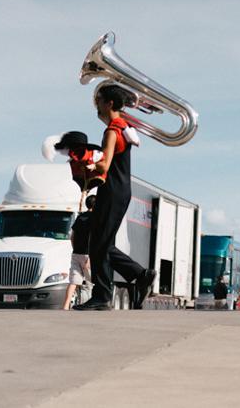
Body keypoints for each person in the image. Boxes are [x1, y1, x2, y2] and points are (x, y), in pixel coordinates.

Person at [75, 85, 156, 311]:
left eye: (99, 100)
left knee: (98, 244)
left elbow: (105, 164)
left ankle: (105, 295)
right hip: (121, 190)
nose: (96, 105)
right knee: (103, 243)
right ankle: (136, 277)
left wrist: (85, 163)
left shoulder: (112, 131)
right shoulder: (125, 126)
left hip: (111, 190)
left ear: (109, 103)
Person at [64, 194, 96, 310]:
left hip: (76, 253)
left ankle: (65, 306)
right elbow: (93, 238)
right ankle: (90, 304)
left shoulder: (80, 217)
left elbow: (72, 236)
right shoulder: (95, 218)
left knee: (73, 281)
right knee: (91, 283)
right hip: (88, 255)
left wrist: (75, 249)